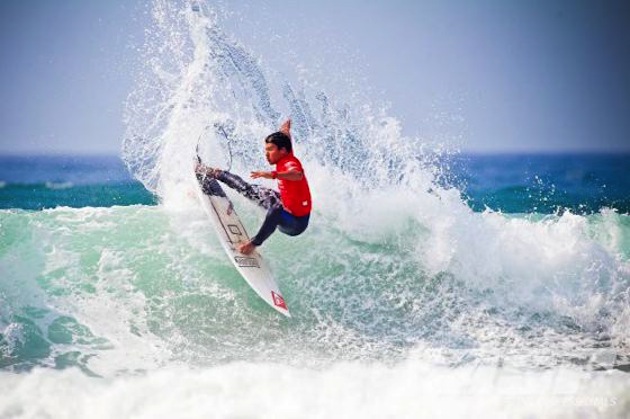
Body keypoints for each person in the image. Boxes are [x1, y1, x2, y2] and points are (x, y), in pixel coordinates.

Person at [196, 120, 312, 255]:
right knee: (250, 190)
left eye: (270, 150)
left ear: (283, 150)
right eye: (266, 150)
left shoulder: (290, 163)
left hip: (295, 223)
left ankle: (254, 243)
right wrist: (286, 128)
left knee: (276, 209)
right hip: (286, 203)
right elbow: (285, 135)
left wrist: (273, 174)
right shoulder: (286, 150)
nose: (266, 154)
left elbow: (297, 175)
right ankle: (215, 173)